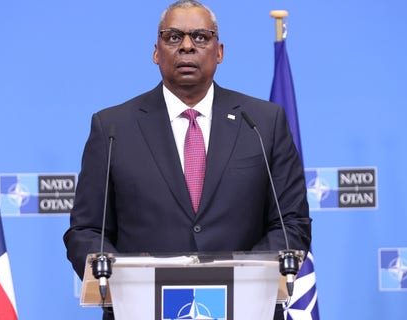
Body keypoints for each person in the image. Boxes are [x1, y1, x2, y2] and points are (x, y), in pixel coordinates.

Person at [64, 1, 311, 319]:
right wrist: (127, 280)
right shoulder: (112, 127)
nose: (186, 46)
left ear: (219, 51)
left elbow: (292, 223)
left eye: (200, 37)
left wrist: (241, 276)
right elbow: (86, 230)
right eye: (173, 37)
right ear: (156, 52)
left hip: (245, 310)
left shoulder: (263, 122)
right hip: (142, 310)